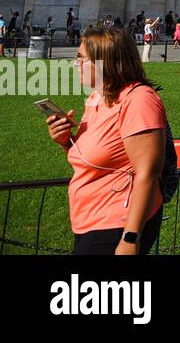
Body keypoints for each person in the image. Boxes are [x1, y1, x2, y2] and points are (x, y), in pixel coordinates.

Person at [45, 24, 168, 254]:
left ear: (106, 62)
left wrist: (130, 238)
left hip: (117, 222)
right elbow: (95, 161)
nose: (76, 64)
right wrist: (65, 140)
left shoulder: (139, 100)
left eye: (82, 58)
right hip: (89, 218)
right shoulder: (98, 98)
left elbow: (148, 172)